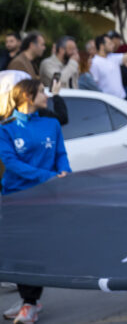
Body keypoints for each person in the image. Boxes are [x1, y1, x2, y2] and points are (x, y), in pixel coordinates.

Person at [0, 78, 71, 324]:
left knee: (37, 250)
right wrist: (49, 176)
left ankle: (30, 301)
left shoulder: (51, 124)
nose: (47, 95)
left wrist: (65, 173)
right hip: (16, 198)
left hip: (45, 198)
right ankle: (28, 301)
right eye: (42, 92)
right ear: (28, 97)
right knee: (21, 251)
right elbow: (12, 163)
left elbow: (61, 154)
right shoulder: (6, 128)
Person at [90, 33, 127, 100]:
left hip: (121, 99)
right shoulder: (94, 63)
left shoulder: (114, 57)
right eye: (110, 44)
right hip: (108, 102)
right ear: (102, 46)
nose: (113, 45)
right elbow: (93, 85)